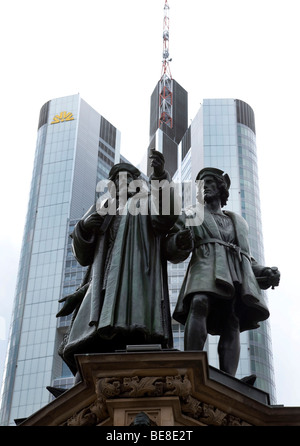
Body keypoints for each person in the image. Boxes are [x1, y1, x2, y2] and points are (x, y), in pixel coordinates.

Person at [57, 150, 180, 376]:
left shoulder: (146, 202)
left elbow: (167, 216)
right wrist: (83, 228)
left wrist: (161, 175)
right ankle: (83, 384)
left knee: (134, 332)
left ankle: (138, 373)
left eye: (125, 178)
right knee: (88, 339)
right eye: (115, 180)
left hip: (137, 280)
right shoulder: (102, 207)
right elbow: (82, 256)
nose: (119, 183)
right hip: (102, 285)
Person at [167, 167, 280, 377]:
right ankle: (190, 366)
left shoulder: (237, 222)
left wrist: (265, 271)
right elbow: (172, 247)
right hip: (204, 267)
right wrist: (179, 242)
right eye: (202, 184)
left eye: (209, 182)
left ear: (221, 187)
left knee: (232, 317)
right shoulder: (192, 214)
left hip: (233, 272)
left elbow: (247, 257)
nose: (205, 187)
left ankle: (229, 378)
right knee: (199, 302)